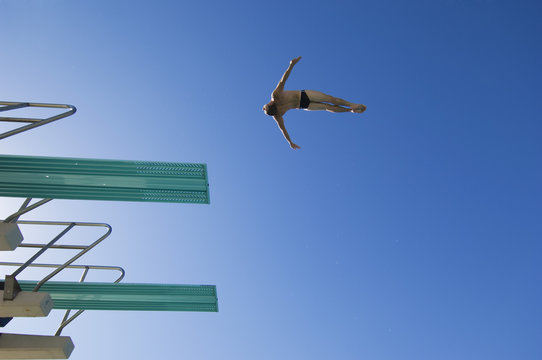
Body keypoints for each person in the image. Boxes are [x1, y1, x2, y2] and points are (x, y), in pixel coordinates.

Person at [263, 56, 367, 149]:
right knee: (329, 99)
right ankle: (351, 105)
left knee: (327, 107)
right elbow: (283, 80)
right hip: (303, 95)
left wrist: (290, 142)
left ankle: (350, 110)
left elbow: (283, 129)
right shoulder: (275, 96)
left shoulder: (277, 114)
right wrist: (291, 65)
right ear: (270, 104)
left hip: (303, 105)